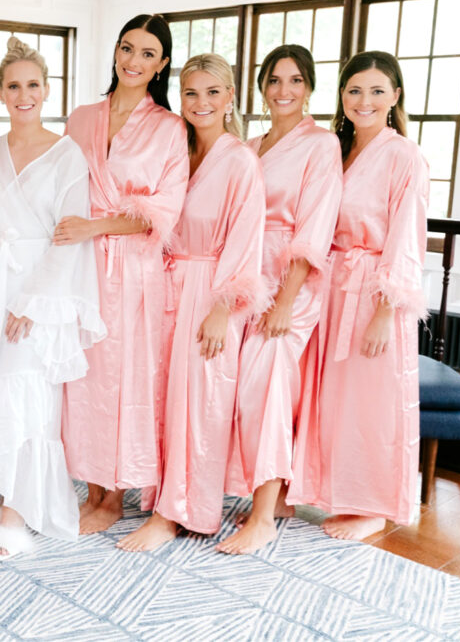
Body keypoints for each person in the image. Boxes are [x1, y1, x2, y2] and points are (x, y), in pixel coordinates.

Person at [0, 37, 106, 559]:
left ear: (46, 91)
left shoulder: (67, 154)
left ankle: (17, 511)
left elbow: (68, 235)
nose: (23, 94)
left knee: (26, 390)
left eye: (33, 85)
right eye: (13, 85)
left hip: (38, 291)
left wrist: (32, 302)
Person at [119, 53, 266, 552]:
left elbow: (247, 239)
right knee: (164, 395)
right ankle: (161, 497)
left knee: (201, 400)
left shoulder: (240, 160)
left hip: (210, 291)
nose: (200, 103)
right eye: (190, 93)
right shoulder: (177, 151)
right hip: (165, 285)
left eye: (211, 92)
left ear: (229, 98)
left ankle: (182, 511)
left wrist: (223, 308)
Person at [56, 14, 189, 535]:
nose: (134, 61)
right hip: (81, 263)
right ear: (115, 51)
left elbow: (166, 208)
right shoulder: (82, 116)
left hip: (133, 268)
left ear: (161, 65)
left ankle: (114, 496)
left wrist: (96, 226)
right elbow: (60, 184)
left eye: (148, 54)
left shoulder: (169, 127)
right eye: (127, 48)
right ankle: (88, 487)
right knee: (82, 376)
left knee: (123, 377)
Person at [288, 51, 429, 540]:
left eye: (375, 91)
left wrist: (385, 313)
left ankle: (373, 505)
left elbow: (406, 238)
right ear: (341, 96)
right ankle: (317, 490)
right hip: (328, 286)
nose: (363, 101)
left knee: (371, 401)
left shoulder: (404, 156)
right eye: (354, 90)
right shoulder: (335, 148)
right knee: (324, 398)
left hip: (374, 293)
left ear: (394, 96)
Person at [218, 45, 342, 554]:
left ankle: (263, 515)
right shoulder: (248, 144)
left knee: (265, 383)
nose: (283, 91)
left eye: (294, 80)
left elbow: (315, 226)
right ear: (262, 85)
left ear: (309, 87)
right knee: (238, 382)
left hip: (293, 281)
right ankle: (278, 495)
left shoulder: (322, 145)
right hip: (247, 271)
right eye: (274, 80)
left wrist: (287, 300)